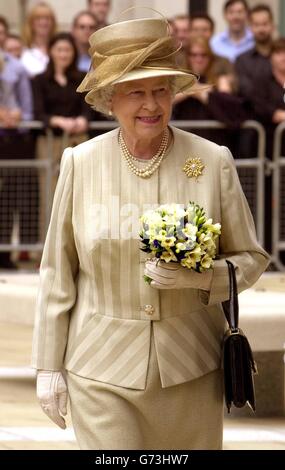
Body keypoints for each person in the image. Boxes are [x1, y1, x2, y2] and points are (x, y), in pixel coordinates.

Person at [32, 16, 270, 450]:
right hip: (99, 367)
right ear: (109, 98)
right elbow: (57, 272)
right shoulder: (80, 163)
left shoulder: (212, 160)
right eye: (137, 91)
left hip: (191, 368)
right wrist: (47, 364)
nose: (152, 104)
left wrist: (202, 278)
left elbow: (251, 259)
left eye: (162, 89)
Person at [32, 32, 91, 242]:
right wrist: (58, 120)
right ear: (51, 52)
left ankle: (77, 248)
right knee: (49, 195)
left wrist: (83, 120)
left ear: (73, 52)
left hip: (78, 140)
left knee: (78, 194)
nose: (63, 54)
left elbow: (88, 108)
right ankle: (46, 250)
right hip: (50, 142)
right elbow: (39, 113)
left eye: (67, 50)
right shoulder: (40, 80)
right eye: (59, 49)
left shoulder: (82, 77)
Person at [235, 4, 274, 102]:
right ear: (250, 28)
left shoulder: (282, 56)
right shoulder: (242, 61)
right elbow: (247, 92)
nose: (261, 29)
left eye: (265, 24)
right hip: (253, 114)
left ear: (272, 25)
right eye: (256, 25)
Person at [21, 2, 57, 77]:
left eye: (47, 18)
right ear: (31, 23)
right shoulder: (22, 50)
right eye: (38, 18)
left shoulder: (59, 48)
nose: (43, 22)